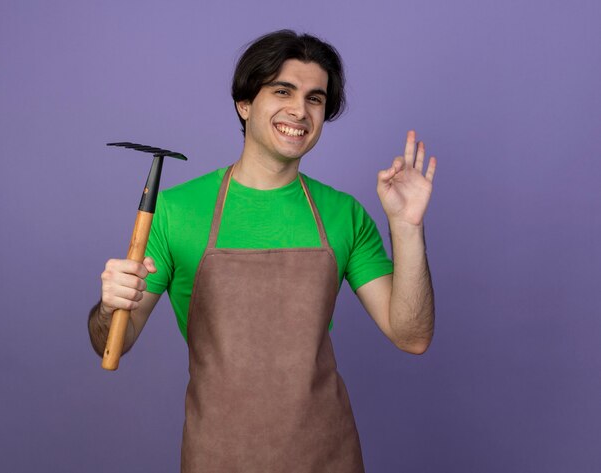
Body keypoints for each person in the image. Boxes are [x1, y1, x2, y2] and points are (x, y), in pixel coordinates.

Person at [88, 29, 437, 473]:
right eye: (282, 91)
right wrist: (110, 306)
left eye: (316, 98)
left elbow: (412, 336)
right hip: (217, 456)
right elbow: (115, 341)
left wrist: (406, 228)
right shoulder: (176, 211)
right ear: (245, 103)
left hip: (327, 455)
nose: (300, 110)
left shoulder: (343, 214)